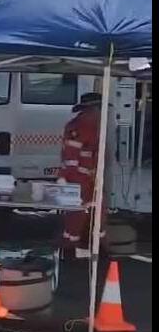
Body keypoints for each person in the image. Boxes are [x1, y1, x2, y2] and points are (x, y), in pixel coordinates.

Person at [59, 92, 107, 253]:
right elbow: (71, 157)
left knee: (98, 211)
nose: (100, 112)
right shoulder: (79, 126)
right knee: (76, 214)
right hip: (78, 178)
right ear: (91, 109)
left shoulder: (93, 125)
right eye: (99, 108)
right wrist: (68, 179)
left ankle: (98, 245)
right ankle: (69, 248)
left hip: (90, 177)